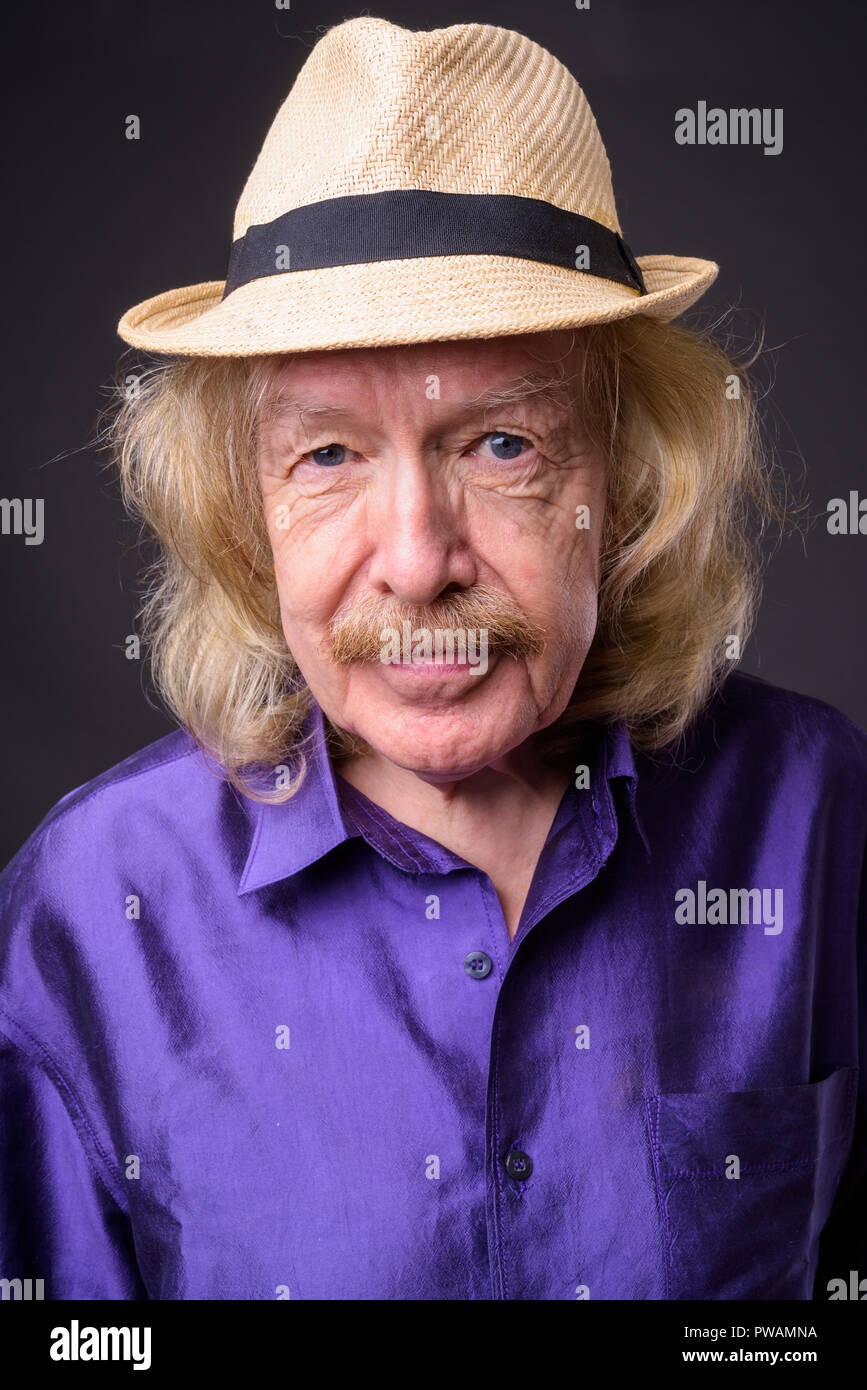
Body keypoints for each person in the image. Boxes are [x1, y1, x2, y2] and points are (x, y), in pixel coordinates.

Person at [0, 15, 863, 1301]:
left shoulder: (817, 815)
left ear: (626, 480)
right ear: (247, 505)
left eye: (503, 445)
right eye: (328, 455)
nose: (415, 560)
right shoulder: (89, 911)